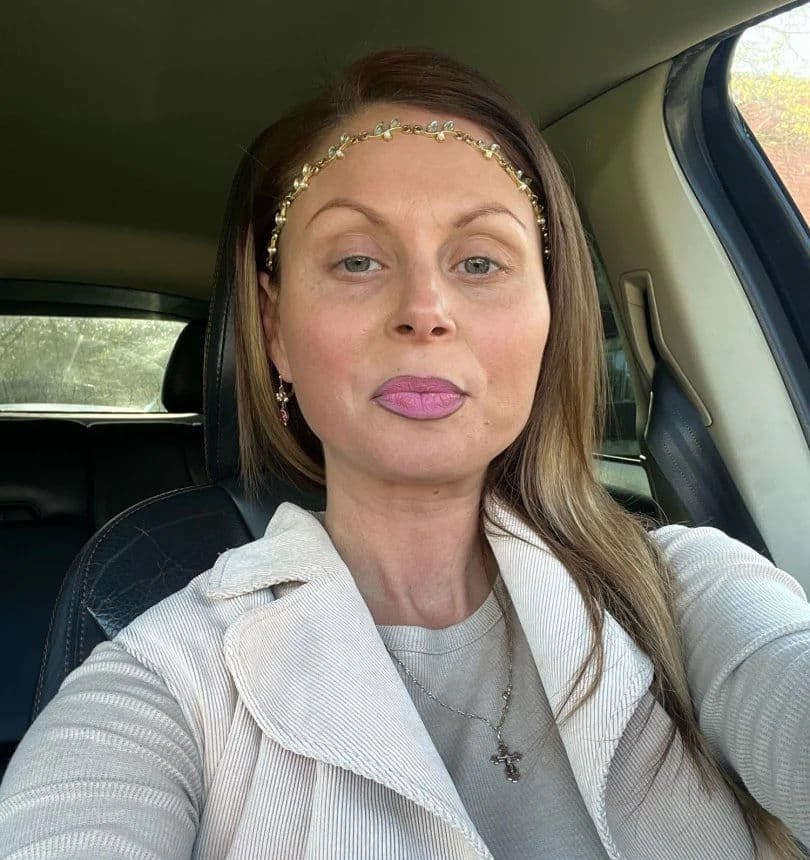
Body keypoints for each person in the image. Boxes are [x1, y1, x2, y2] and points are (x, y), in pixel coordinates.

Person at [0, 48, 808, 860]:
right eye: (357, 260)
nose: (425, 309)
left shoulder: (686, 593)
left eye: (481, 261)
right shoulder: (163, 682)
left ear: (550, 314)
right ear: (274, 330)